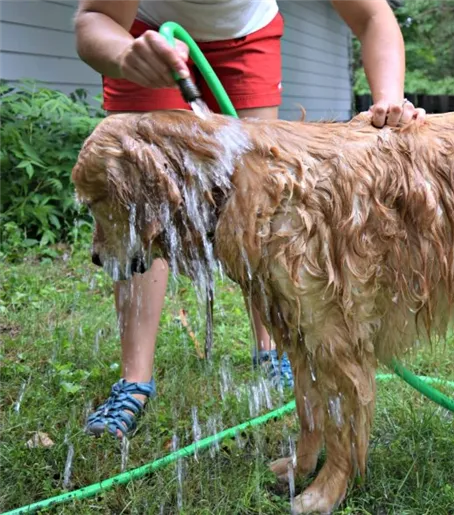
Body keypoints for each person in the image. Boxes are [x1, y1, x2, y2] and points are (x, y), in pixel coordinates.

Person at [74, 0, 425, 439]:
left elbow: (374, 17)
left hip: (247, 36)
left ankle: (271, 350)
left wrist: (389, 102)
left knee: (260, 200)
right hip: (144, 35)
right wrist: (126, 54)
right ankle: (134, 380)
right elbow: (92, 21)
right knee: (140, 196)